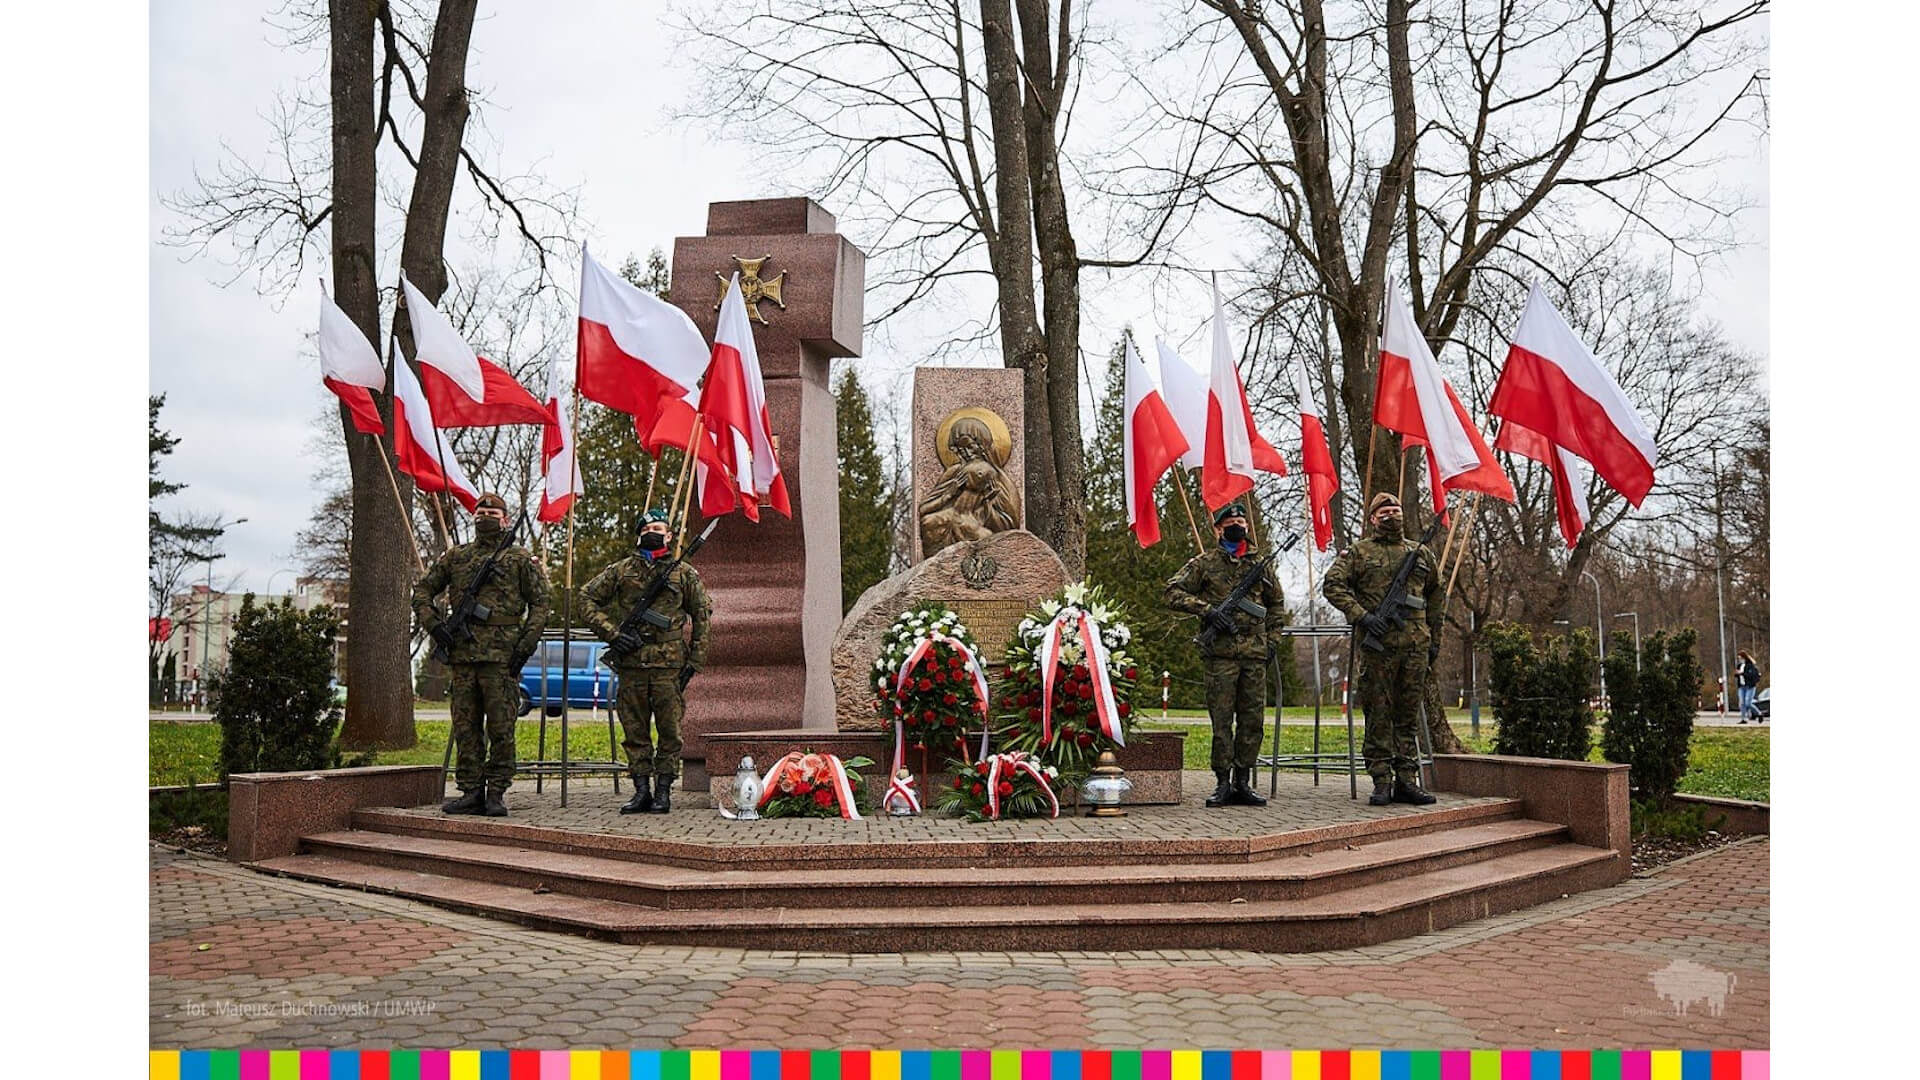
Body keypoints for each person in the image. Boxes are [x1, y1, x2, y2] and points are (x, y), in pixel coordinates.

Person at [411, 494, 552, 818]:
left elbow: (541, 604)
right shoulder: (456, 557)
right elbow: (422, 591)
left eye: (492, 512)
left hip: (502, 658)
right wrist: (434, 624)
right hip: (463, 656)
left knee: (502, 727)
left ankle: (496, 792)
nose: (485, 516)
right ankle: (471, 791)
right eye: (480, 512)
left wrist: (525, 644)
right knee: (466, 727)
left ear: (505, 518)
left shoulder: (519, 559)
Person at [581, 509, 712, 814]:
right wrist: (612, 634)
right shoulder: (621, 570)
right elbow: (586, 599)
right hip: (632, 663)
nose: (654, 532)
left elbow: (702, 617)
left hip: (669, 666)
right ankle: (641, 790)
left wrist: (695, 661)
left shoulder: (684, 574)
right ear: (640, 533)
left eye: (660, 528)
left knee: (669, 731)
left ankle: (663, 791)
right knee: (635, 731)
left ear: (669, 536)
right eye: (649, 527)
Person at [1322, 492, 1442, 807]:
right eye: (1384, 511)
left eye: (1396, 509)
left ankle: (1406, 780)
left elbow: (1436, 598)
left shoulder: (1420, 553)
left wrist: (1434, 641)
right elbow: (1332, 585)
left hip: (1415, 647)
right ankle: (1381, 781)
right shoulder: (1359, 553)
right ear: (1373, 519)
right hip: (1377, 650)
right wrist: (1362, 616)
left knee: (1407, 716)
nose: (1392, 514)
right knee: (1378, 715)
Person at [1165, 502, 1287, 808]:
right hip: (1220, 655)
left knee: (1252, 720)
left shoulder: (1260, 564)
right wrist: (1208, 611)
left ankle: (1242, 781)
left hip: (1255, 655)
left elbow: (1276, 605)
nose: (1237, 526)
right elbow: (1172, 592)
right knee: (1222, 722)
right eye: (1230, 522)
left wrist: (1272, 640)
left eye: (1241, 522)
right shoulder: (1205, 563)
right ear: (1218, 529)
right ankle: (1222, 782)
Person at [1737, 650, 1762, 723]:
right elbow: (1737, 675)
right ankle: (1743, 719)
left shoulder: (1750, 665)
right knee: (1742, 703)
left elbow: (1750, 675)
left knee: (1748, 703)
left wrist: (1742, 673)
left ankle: (1759, 713)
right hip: (1741, 686)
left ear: (1743, 657)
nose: (1739, 659)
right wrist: (1737, 674)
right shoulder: (1739, 665)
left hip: (1750, 686)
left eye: (1740, 658)